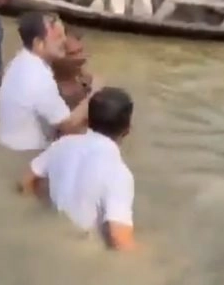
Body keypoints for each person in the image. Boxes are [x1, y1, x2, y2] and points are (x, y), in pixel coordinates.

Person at [18, 87, 136, 251]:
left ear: (87, 120)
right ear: (128, 129)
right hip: (85, 252)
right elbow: (120, 240)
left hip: (48, 241)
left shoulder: (61, 145)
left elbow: (25, 182)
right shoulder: (119, 173)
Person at [0, 11, 96, 151]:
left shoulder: (19, 61)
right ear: (39, 43)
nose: (64, 41)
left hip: (6, 143)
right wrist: (94, 95)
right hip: (27, 152)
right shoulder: (39, 78)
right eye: (58, 37)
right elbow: (69, 126)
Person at [51, 28, 93, 109]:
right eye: (73, 54)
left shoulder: (86, 81)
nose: (82, 58)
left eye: (81, 51)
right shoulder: (48, 90)